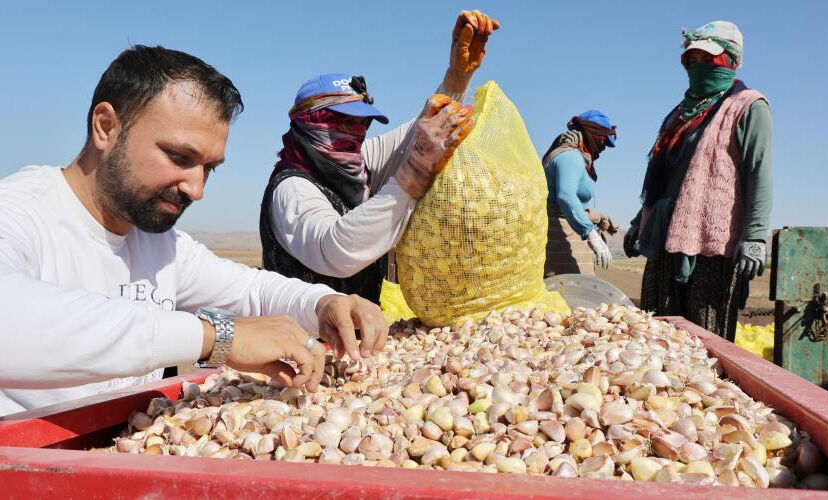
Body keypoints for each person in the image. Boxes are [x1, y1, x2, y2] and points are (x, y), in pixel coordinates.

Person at [0, 45, 389, 417]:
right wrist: (218, 337)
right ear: (106, 127)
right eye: (179, 157)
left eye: (209, 168)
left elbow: (251, 291)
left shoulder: (160, 245)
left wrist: (323, 304)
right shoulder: (19, 211)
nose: (197, 189)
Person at [259, 11, 499, 303]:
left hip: (359, 338)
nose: (356, 133)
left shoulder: (357, 162)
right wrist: (413, 176)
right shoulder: (292, 188)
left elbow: (415, 137)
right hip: (303, 341)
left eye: (363, 123)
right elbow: (335, 249)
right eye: (344, 122)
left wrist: (457, 77)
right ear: (310, 123)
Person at [623, 21, 773, 340]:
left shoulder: (748, 107)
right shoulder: (680, 113)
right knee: (657, 329)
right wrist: (640, 222)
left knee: (706, 336)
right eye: (693, 59)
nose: (699, 66)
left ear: (731, 61)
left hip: (710, 245)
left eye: (709, 59)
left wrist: (756, 237)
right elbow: (663, 175)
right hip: (664, 234)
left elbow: (758, 172)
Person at [541, 110, 618, 275]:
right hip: (560, 244)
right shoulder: (570, 157)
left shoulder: (575, 157)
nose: (603, 147)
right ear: (593, 135)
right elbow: (565, 196)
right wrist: (590, 233)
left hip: (568, 238)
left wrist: (596, 216)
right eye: (604, 141)